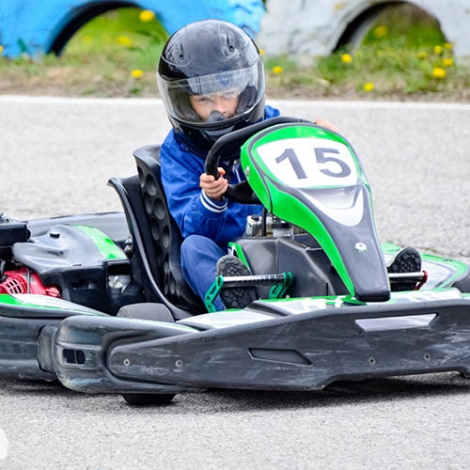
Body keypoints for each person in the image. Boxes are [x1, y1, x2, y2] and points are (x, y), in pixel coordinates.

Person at [157, 19, 421, 311]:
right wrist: (211, 199)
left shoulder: (272, 125)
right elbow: (192, 224)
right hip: (226, 251)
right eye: (204, 99)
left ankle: (372, 282)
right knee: (193, 248)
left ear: (245, 89)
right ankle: (234, 306)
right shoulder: (179, 151)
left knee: (319, 231)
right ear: (183, 101)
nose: (219, 108)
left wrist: (321, 139)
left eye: (227, 94)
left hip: (279, 239)